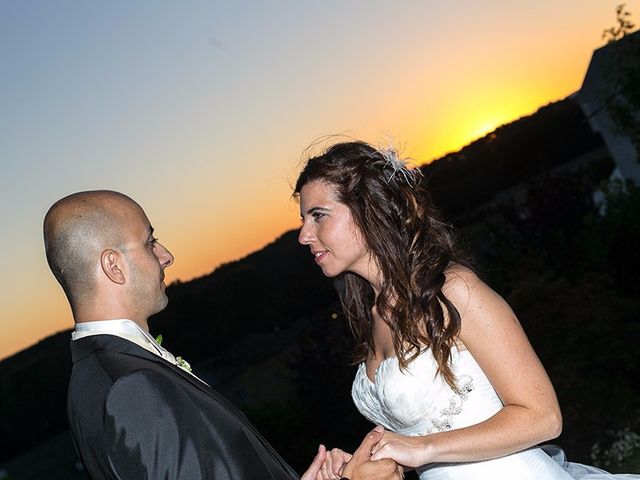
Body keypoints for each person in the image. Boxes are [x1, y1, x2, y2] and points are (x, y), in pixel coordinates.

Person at [294, 141, 639, 480]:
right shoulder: (371, 318)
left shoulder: (453, 291)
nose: (304, 235)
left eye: (318, 216)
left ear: (368, 209)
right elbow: (416, 436)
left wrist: (422, 448)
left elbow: (543, 417)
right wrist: (362, 465)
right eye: (304, 220)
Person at [43, 189, 402, 480]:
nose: (166, 256)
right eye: (150, 242)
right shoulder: (131, 388)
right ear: (113, 265)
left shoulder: (93, 380)